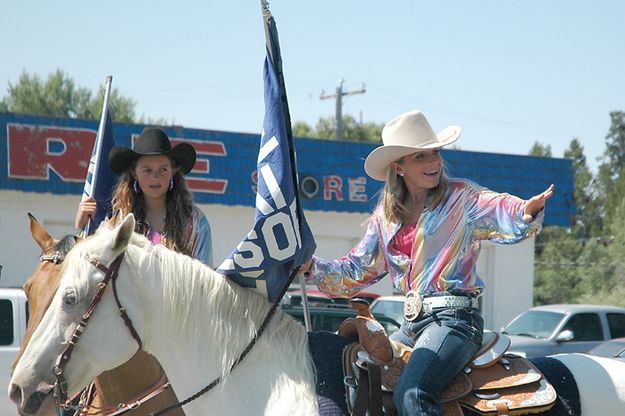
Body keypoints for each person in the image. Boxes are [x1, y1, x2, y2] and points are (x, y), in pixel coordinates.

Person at [298, 109, 553, 415]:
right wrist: (312, 267)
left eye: (434, 153)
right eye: (421, 156)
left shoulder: (461, 198)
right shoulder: (385, 218)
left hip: (455, 322)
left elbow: (498, 207)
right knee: (369, 384)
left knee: (413, 393)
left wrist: (525, 211)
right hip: (410, 326)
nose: (433, 162)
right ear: (399, 167)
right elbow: (356, 270)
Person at [75, 127, 213, 266]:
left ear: (173, 172)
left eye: (163, 169)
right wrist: (81, 227)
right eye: (147, 170)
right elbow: (92, 264)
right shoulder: (118, 221)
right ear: (134, 173)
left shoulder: (195, 223)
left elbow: (205, 279)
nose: (155, 177)